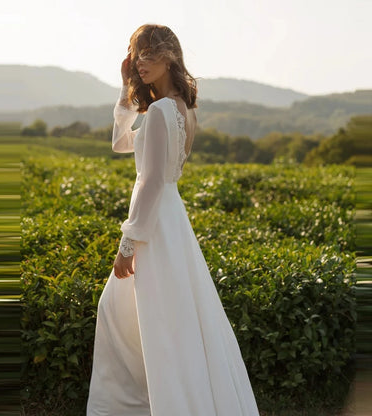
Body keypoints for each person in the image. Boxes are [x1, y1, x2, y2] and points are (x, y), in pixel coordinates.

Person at [86, 24, 260, 416]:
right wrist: (124, 88)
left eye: (148, 54)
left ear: (169, 57)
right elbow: (119, 142)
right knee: (161, 317)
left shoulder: (164, 110)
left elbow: (149, 183)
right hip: (168, 221)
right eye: (136, 55)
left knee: (140, 318)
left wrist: (128, 245)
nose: (140, 63)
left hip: (156, 224)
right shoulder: (178, 108)